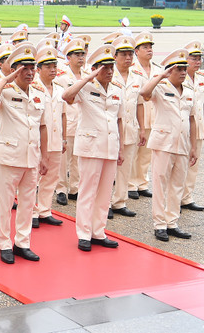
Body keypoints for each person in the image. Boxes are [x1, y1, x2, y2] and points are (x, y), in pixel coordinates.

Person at [0, 44, 48, 264]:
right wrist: (6, 79)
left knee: (28, 203)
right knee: (4, 204)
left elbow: (42, 126)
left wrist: (45, 156)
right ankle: (4, 244)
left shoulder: (39, 94)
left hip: (31, 156)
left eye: (33, 68)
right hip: (9, 156)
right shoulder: (4, 90)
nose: (30, 72)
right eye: (24, 68)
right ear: (15, 70)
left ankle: (22, 243)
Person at [62, 45, 123, 252]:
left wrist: (120, 147)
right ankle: (83, 233)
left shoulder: (116, 89)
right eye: (104, 68)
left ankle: (98, 231)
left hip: (110, 146)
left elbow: (119, 120)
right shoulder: (85, 87)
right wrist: (88, 78)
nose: (109, 71)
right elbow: (66, 96)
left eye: (111, 68)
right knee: (87, 191)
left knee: (105, 192)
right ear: (95, 69)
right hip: (90, 146)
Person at [140, 49, 198, 242]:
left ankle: (172, 222)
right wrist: (160, 76)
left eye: (184, 69)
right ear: (169, 71)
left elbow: (192, 120)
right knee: (159, 184)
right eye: (178, 69)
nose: (183, 72)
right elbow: (144, 93)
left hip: (182, 145)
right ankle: (159, 224)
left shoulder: (189, 91)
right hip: (163, 144)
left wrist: (194, 147)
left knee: (177, 186)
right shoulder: (161, 87)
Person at [108, 36, 145, 218]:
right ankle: (105, 202)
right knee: (108, 169)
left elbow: (139, 103)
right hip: (111, 129)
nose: (128, 58)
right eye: (124, 55)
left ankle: (120, 201)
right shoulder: (108, 74)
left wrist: (143, 128)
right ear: (115, 56)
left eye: (131, 54)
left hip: (131, 127)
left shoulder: (137, 77)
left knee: (125, 168)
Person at [33, 45, 66, 227]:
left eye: (54, 66)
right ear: (39, 69)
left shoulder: (60, 88)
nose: (53, 70)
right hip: (37, 141)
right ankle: (31, 212)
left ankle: (45, 210)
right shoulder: (33, 88)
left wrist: (64, 139)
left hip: (55, 139)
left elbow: (63, 115)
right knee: (33, 179)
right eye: (48, 66)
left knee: (51, 177)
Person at [128, 32, 160, 199]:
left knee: (146, 153)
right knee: (134, 152)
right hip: (136, 116)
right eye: (145, 47)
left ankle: (142, 183)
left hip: (153, 116)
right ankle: (131, 184)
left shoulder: (157, 69)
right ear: (136, 51)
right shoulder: (132, 70)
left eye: (150, 47)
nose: (149, 50)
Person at [54, 39, 87, 205]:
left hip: (83, 123)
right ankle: (61, 188)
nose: (80, 58)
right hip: (68, 121)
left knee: (78, 159)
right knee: (63, 159)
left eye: (82, 54)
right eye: (77, 55)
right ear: (68, 57)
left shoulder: (87, 75)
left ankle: (75, 188)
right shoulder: (61, 77)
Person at [181, 41, 204, 212]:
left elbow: (202, 104)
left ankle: (187, 197)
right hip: (183, 127)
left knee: (193, 163)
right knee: (180, 164)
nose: (197, 62)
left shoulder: (202, 79)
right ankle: (175, 197)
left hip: (197, 126)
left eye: (199, 59)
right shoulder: (179, 78)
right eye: (194, 59)